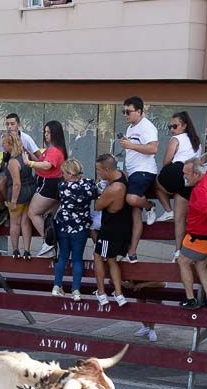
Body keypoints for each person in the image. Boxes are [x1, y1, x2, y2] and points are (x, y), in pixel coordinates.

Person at [119, 97, 166, 261]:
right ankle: (131, 252)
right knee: (134, 214)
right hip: (133, 172)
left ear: (139, 111)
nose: (125, 114)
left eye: (128, 111)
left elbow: (153, 149)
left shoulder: (147, 126)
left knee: (132, 199)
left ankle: (149, 205)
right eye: (123, 111)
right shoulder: (131, 128)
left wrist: (130, 145)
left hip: (144, 171)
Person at [176, 159, 207, 309]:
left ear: (196, 174)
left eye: (186, 174)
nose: (184, 177)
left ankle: (190, 299)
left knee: (183, 262)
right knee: (201, 265)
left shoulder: (200, 191)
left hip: (202, 237)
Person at [51, 159, 100, 301]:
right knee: (77, 259)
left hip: (63, 224)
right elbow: (96, 194)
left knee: (63, 256)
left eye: (64, 173)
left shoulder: (62, 186)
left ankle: (57, 286)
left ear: (70, 173)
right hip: (81, 226)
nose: (62, 175)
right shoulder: (89, 185)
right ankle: (76, 290)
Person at [156, 111, 200, 258]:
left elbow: (166, 161)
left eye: (174, 126)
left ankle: (167, 210)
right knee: (181, 218)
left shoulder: (176, 139)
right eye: (170, 126)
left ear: (184, 125)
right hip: (190, 179)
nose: (172, 129)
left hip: (176, 171)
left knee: (155, 182)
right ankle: (180, 250)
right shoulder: (196, 141)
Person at [93, 153, 132, 306]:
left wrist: (100, 194)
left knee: (98, 256)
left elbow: (98, 205)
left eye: (99, 170)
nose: (98, 173)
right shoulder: (122, 175)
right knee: (112, 260)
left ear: (107, 170)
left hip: (111, 229)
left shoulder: (114, 188)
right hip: (124, 225)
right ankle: (118, 293)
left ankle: (101, 292)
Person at [29, 120, 67, 257]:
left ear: (56, 134)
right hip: (53, 185)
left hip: (49, 184)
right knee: (48, 218)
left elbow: (46, 165)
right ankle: (51, 245)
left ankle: (48, 243)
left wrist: (30, 163)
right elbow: (42, 162)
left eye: (49, 132)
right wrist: (29, 153)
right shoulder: (54, 150)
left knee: (33, 212)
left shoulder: (54, 150)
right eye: (45, 132)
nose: (46, 135)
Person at [1, 130, 36, 259]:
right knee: (25, 222)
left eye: (4, 144)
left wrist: (13, 201)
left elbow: (16, 183)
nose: (3, 146)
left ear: (10, 144)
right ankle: (27, 250)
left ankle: (15, 250)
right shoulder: (25, 156)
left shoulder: (12, 162)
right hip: (30, 191)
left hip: (18, 194)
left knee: (15, 223)